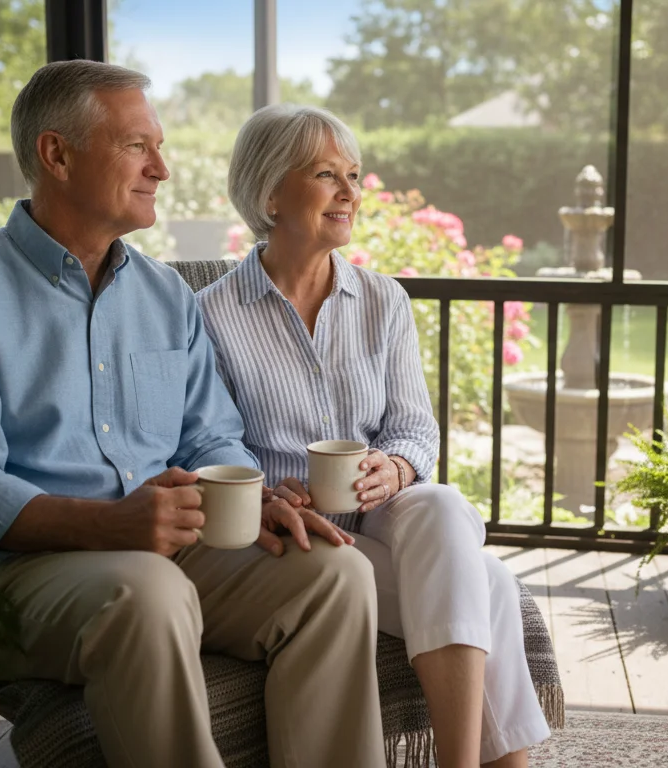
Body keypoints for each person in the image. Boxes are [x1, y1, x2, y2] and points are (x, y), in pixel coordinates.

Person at [0, 61, 385, 768]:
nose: (162, 167)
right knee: (147, 590)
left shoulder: (165, 296)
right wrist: (109, 523)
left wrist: (256, 498)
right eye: (137, 146)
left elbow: (211, 434)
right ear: (56, 155)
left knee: (335, 576)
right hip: (10, 577)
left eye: (159, 146)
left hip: (163, 554)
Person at [198, 103, 551, 768]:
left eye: (354, 175)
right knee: (490, 584)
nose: (350, 191)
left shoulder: (383, 300)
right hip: (298, 540)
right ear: (270, 191)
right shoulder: (211, 315)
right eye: (326, 174)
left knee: (442, 503)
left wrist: (397, 466)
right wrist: (270, 492)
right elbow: (210, 440)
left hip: (386, 515)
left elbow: (414, 427)